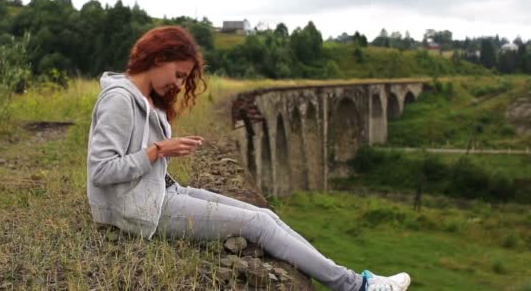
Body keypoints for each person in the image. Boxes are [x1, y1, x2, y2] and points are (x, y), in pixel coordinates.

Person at [86, 26, 411, 291]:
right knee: (257, 225)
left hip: (159, 193)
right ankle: (357, 287)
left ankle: (356, 282)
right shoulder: (119, 100)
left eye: (184, 78)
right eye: (179, 74)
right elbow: (101, 171)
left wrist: (162, 148)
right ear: (159, 57)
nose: (179, 84)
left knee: (263, 215)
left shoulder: (144, 98)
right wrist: (158, 151)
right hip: (139, 210)